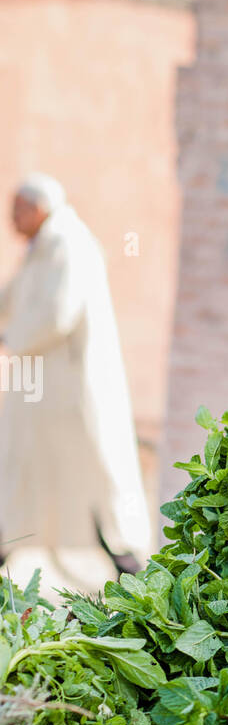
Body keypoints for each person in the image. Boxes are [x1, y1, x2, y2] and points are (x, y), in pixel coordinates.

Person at [0, 173, 150, 577]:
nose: (10, 219)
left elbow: (58, 314)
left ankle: (126, 557)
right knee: (19, 461)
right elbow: (11, 297)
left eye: (17, 210)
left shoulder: (69, 243)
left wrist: (9, 336)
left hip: (71, 389)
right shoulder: (40, 248)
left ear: (38, 209)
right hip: (39, 387)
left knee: (95, 468)